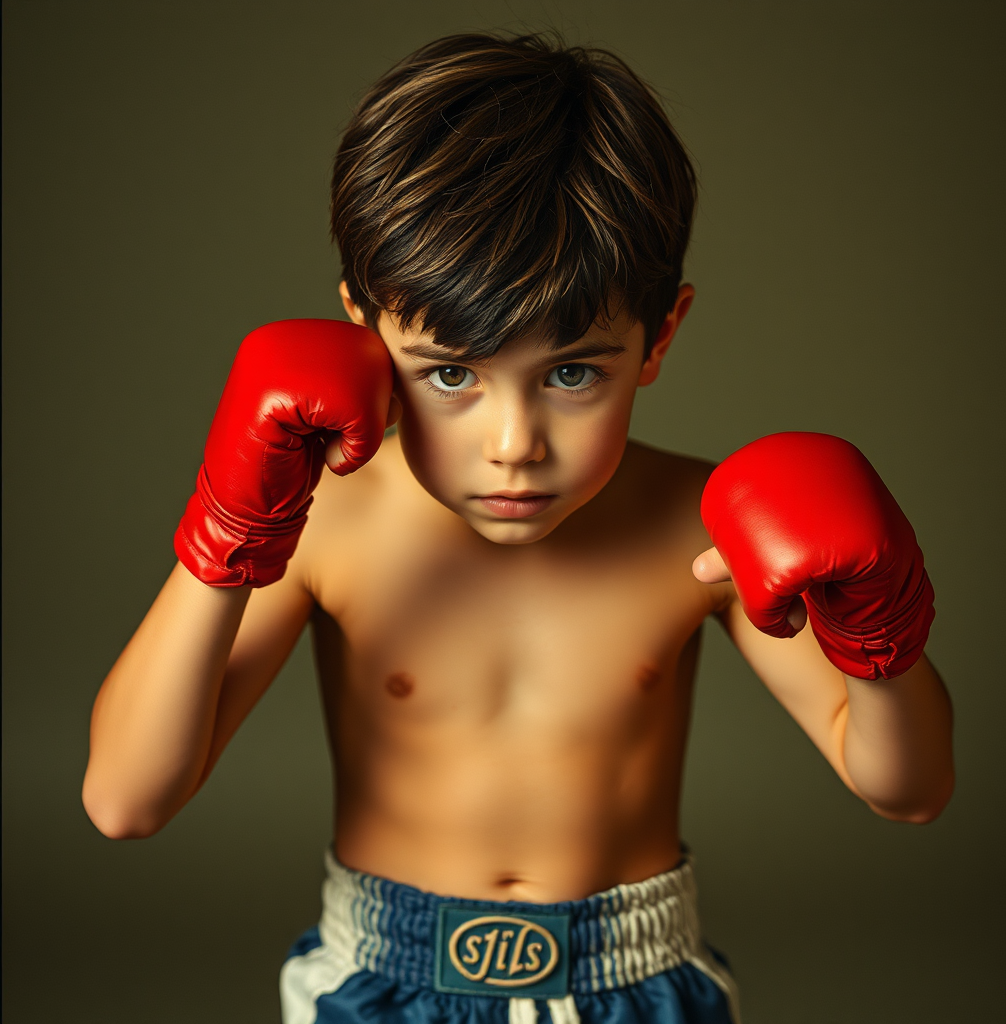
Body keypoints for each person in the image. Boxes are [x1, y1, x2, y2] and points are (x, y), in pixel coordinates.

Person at [82, 32, 954, 1024]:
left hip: (637, 980)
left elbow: (908, 788)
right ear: (366, 335)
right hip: (377, 981)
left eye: (572, 373)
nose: (513, 444)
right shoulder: (319, 523)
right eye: (449, 372)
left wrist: (879, 634)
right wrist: (227, 534)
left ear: (658, 337)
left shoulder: (703, 532)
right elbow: (125, 800)